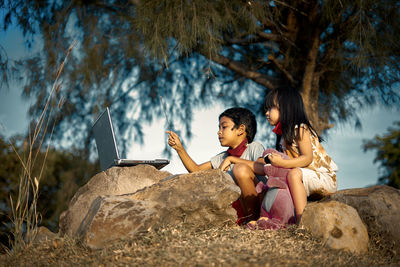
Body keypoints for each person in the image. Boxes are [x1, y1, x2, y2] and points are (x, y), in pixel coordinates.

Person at [227, 86, 338, 223]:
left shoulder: (300, 129)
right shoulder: (283, 137)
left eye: (271, 108)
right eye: (266, 109)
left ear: (287, 108)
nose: (266, 113)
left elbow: (307, 158)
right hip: (303, 177)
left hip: (323, 178)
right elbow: (267, 167)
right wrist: (235, 160)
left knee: (293, 174)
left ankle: (301, 220)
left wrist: (283, 163)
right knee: (280, 179)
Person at [166, 107, 266, 222]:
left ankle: (252, 221)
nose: (219, 132)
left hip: (259, 204)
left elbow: (263, 168)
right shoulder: (222, 157)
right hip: (238, 208)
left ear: (241, 129)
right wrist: (180, 149)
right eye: (219, 128)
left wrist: (232, 160)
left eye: (224, 127)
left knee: (240, 169)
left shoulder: (254, 147)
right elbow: (196, 170)